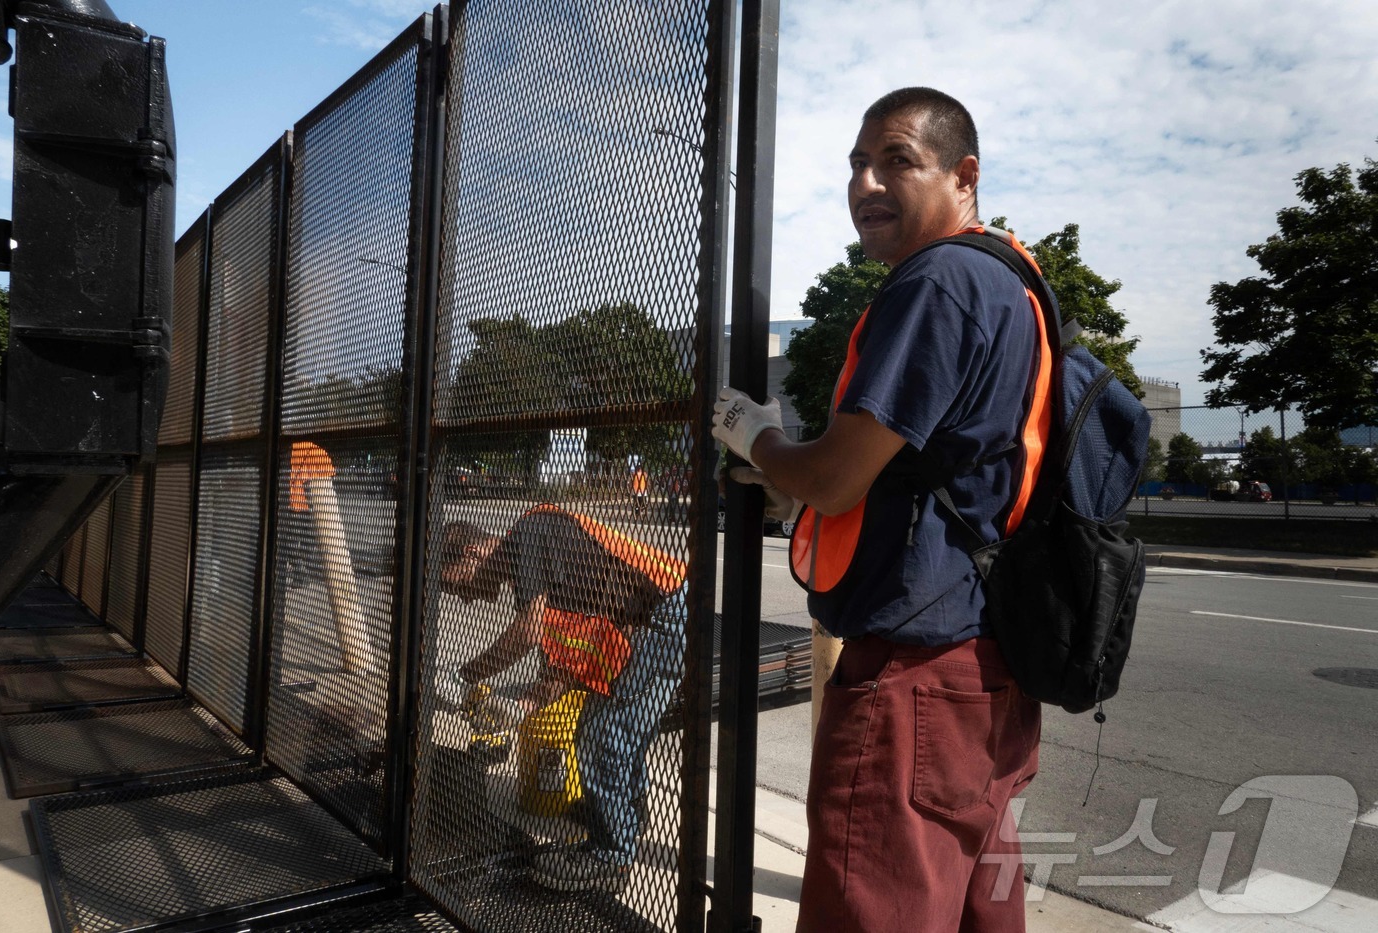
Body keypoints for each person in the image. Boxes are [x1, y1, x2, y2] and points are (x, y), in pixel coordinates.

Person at [711, 87, 1044, 932]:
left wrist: (757, 437)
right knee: (980, 909)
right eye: (858, 164)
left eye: (897, 159)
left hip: (913, 677)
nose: (867, 182)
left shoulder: (936, 282)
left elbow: (834, 477)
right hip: (989, 671)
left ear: (963, 175)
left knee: (870, 910)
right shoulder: (1014, 279)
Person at [436, 503, 686, 895]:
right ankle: (625, 817)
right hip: (652, 617)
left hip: (663, 614)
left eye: (453, 584)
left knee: (605, 736)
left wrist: (464, 675)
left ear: (471, 554)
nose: (464, 599)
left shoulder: (529, 536)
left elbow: (528, 631)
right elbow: (570, 665)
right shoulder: (547, 576)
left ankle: (612, 857)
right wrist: (520, 707)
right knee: (609, 730)